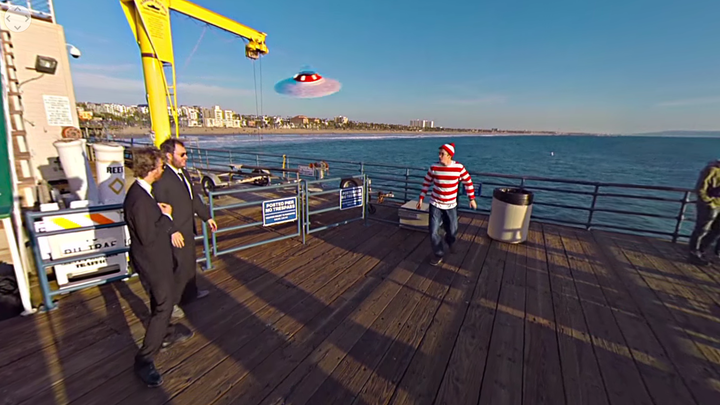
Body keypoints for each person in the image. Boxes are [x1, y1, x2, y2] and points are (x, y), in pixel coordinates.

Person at [124, 147, 193, 387]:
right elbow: (148, 236)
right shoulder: (139, 200)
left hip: (153, 261)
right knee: (164, 306)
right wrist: (167, 216)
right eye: (161, 166)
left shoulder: (142, 193)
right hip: (153, 262)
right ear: (151, 169)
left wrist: (159, 212)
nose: (163, 169)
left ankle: (166, 334)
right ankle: (144, 360)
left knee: (159, 300)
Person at [153, 139, 218, 316]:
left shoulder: (184, 174)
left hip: (187, 227)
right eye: (182, 154)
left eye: (186, 153)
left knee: (189, 264)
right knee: (176, 267)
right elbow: (161, 209)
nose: (186, 157)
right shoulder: (162, 179)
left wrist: (207, 217)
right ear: (168, 156)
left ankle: (190, 294)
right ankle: (172, 303)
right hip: (174, 232)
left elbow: (194, 199)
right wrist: (171, 230)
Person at [417, 142, 477, 265]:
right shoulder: (434, 167)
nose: (439, 156)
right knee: (433, 231)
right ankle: (438, 253)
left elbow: (468, 182)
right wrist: (421, 198)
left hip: (450, 206)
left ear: (450, 156)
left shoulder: (459, 168)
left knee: (452, 230)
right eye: (439, 153)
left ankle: (451, 242)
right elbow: (426, 183)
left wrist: (471, 198)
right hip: (436, 204)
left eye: (442, 154)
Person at [688, 159, 720, 265]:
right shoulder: (712, 169)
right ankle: (693, 253)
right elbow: (700, 188)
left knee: (716, 230)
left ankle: (701, 250)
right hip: (710, 205)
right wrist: (708, 202)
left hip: (718, 204)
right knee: (702, 229)